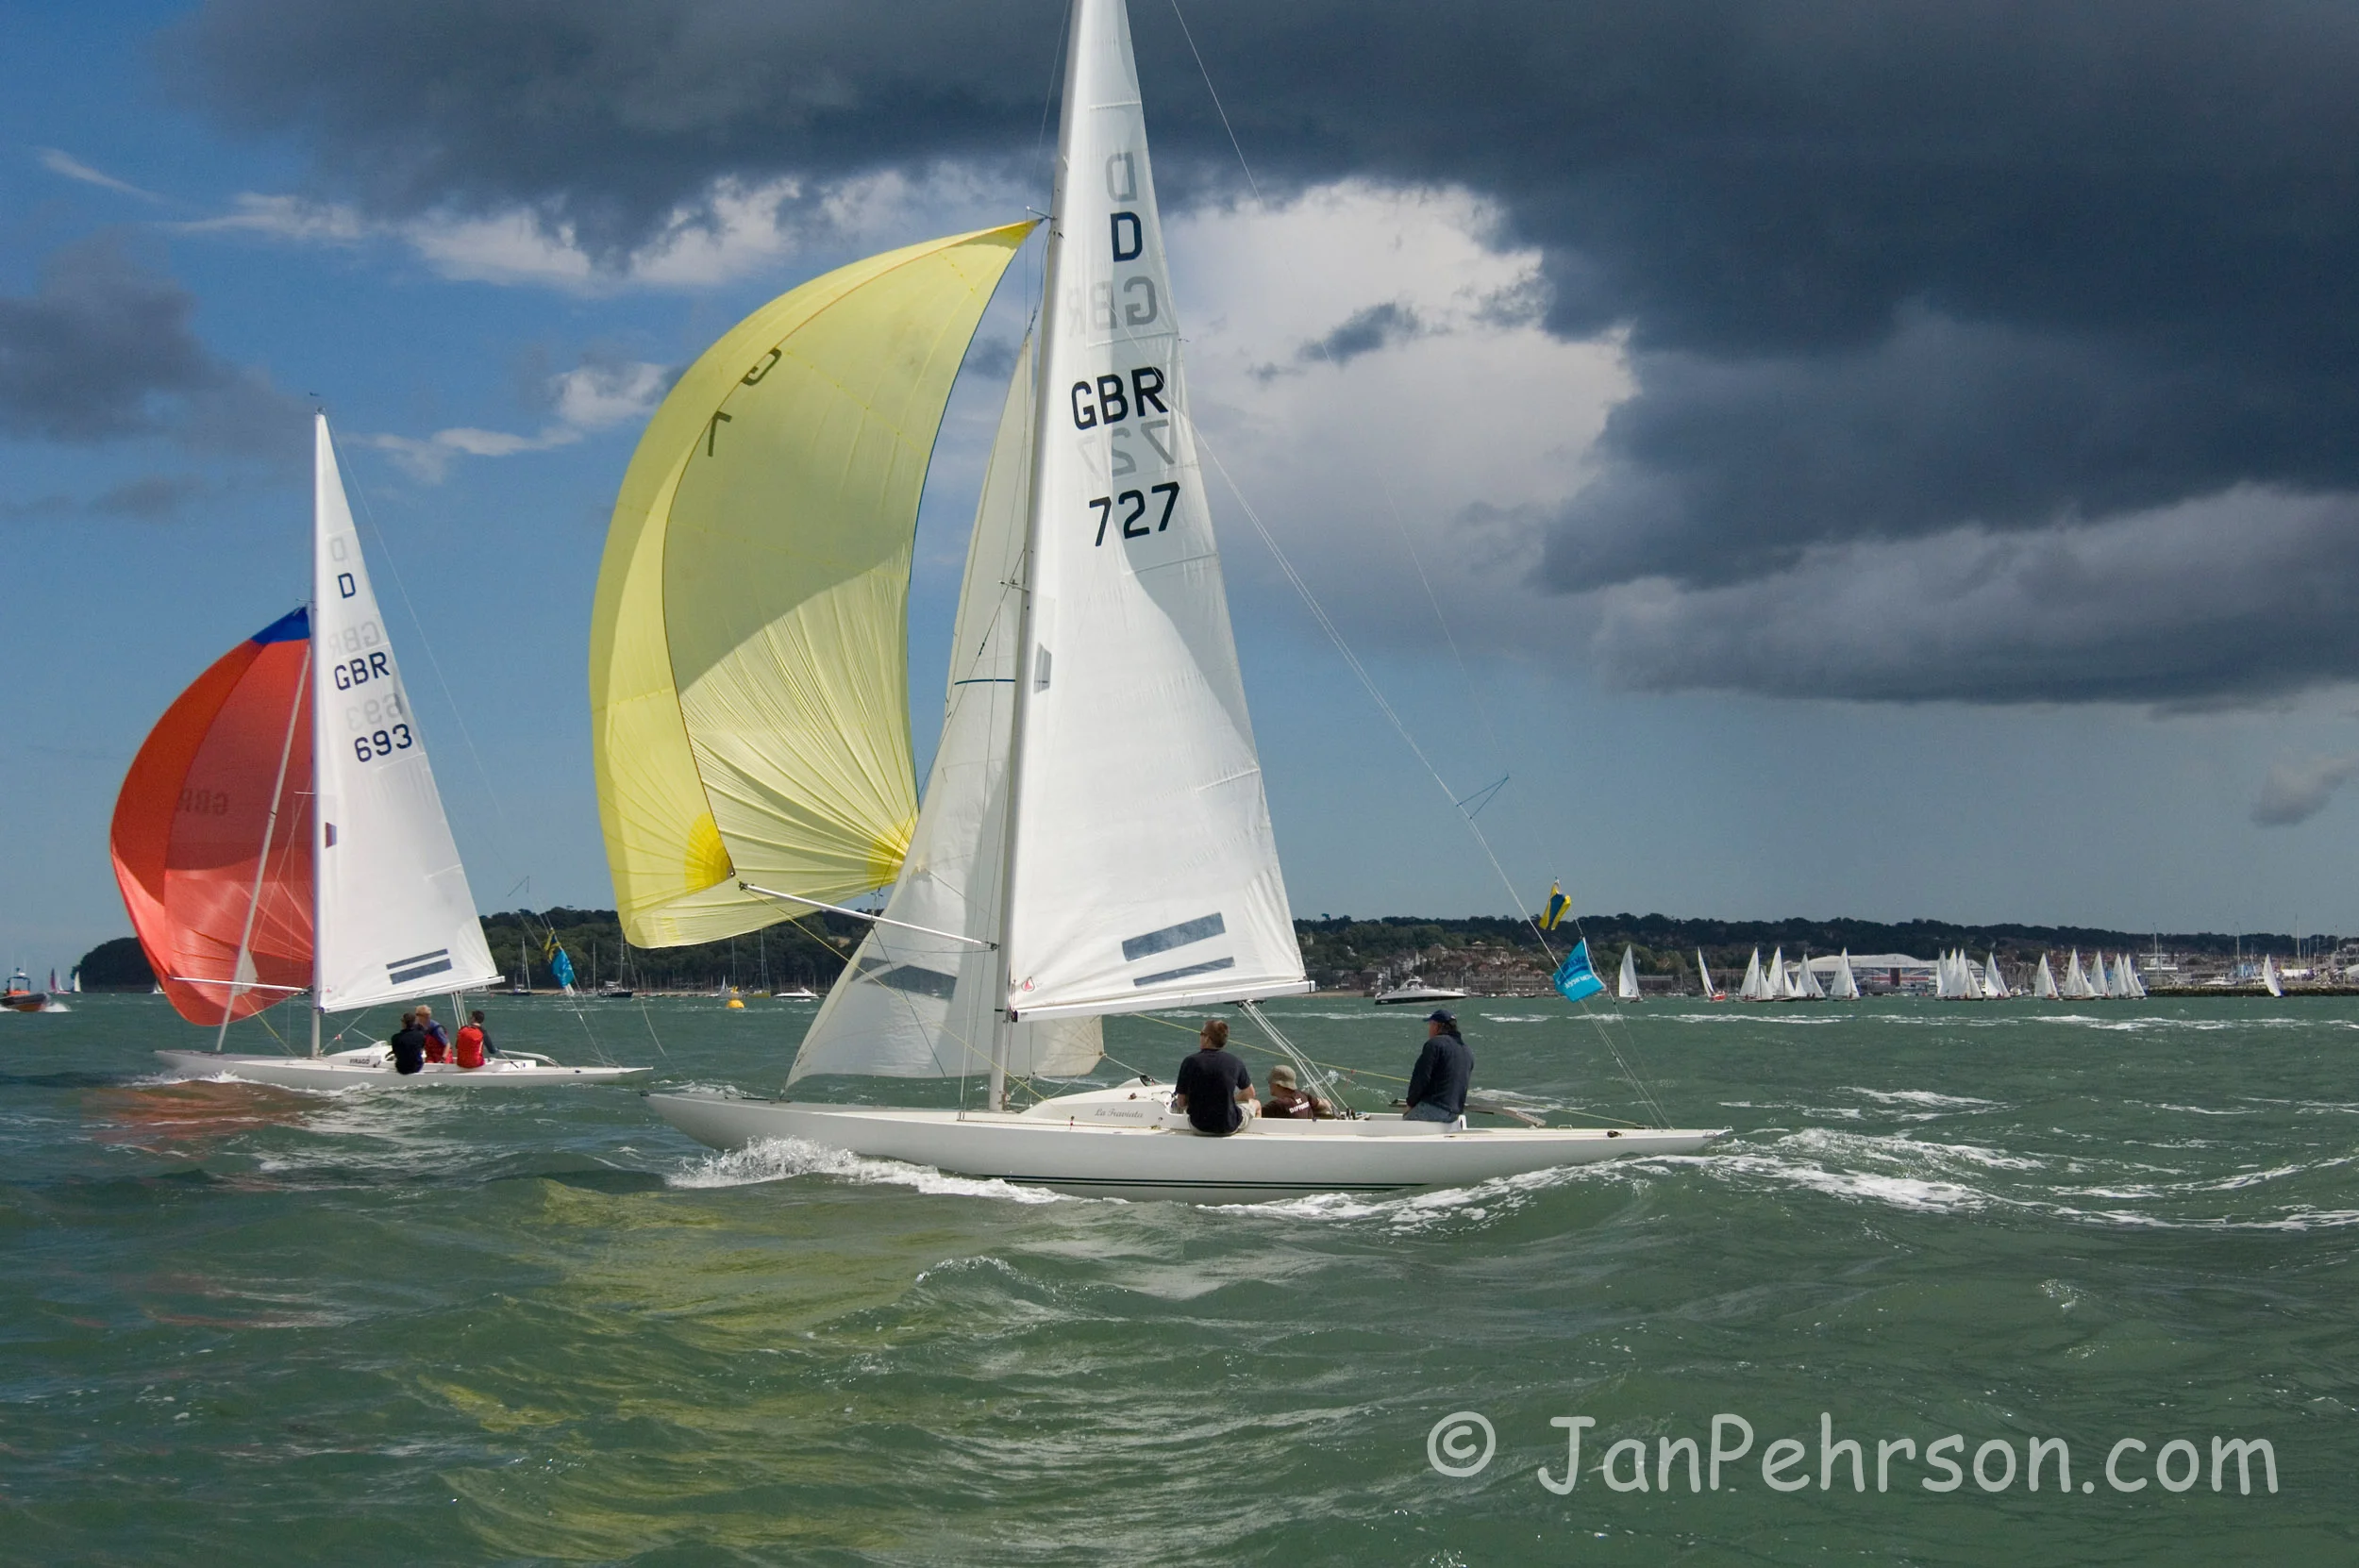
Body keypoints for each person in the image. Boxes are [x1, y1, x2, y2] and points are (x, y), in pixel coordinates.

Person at [1171, 1018, 1256, 1136]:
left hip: (1199, 1127)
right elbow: (1250, 1093)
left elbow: (1181, 1102)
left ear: (1207, 1038)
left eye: (1201, 1034)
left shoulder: (1190, 1062)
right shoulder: (1235, 1061)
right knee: (1255, 1104)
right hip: (1229, 1127)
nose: (1200, 1037)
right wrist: (1231, 1100)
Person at [1403, 1009, 1471, 1123]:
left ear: (1437, 1026)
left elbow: (1421, 1078)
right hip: (1454, 1114)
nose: (1429, 1029)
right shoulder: (1467, 1050)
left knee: (1403, 1124)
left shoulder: (1435, 1044)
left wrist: (1410, 1104)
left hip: (1434, 1108)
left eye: (1430, 1025)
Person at [1262, 1063, 1330, 1120]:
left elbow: (1257, 1117)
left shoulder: (1277, 1105)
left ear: (1278, 1085)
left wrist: (1256, 1103)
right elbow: (1326, 1104)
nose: (1269, 1085)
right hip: (1308, 1131)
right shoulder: (1303, 1095)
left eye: (1269, 1082)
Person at [388, 1011, 427, 1076]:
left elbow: (395, 1053)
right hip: (416, 1067)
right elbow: (421, 1050)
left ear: (404, 1023)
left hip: (401, 1068)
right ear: (414, 1022)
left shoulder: (395, 1037)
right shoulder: (420, 1036)